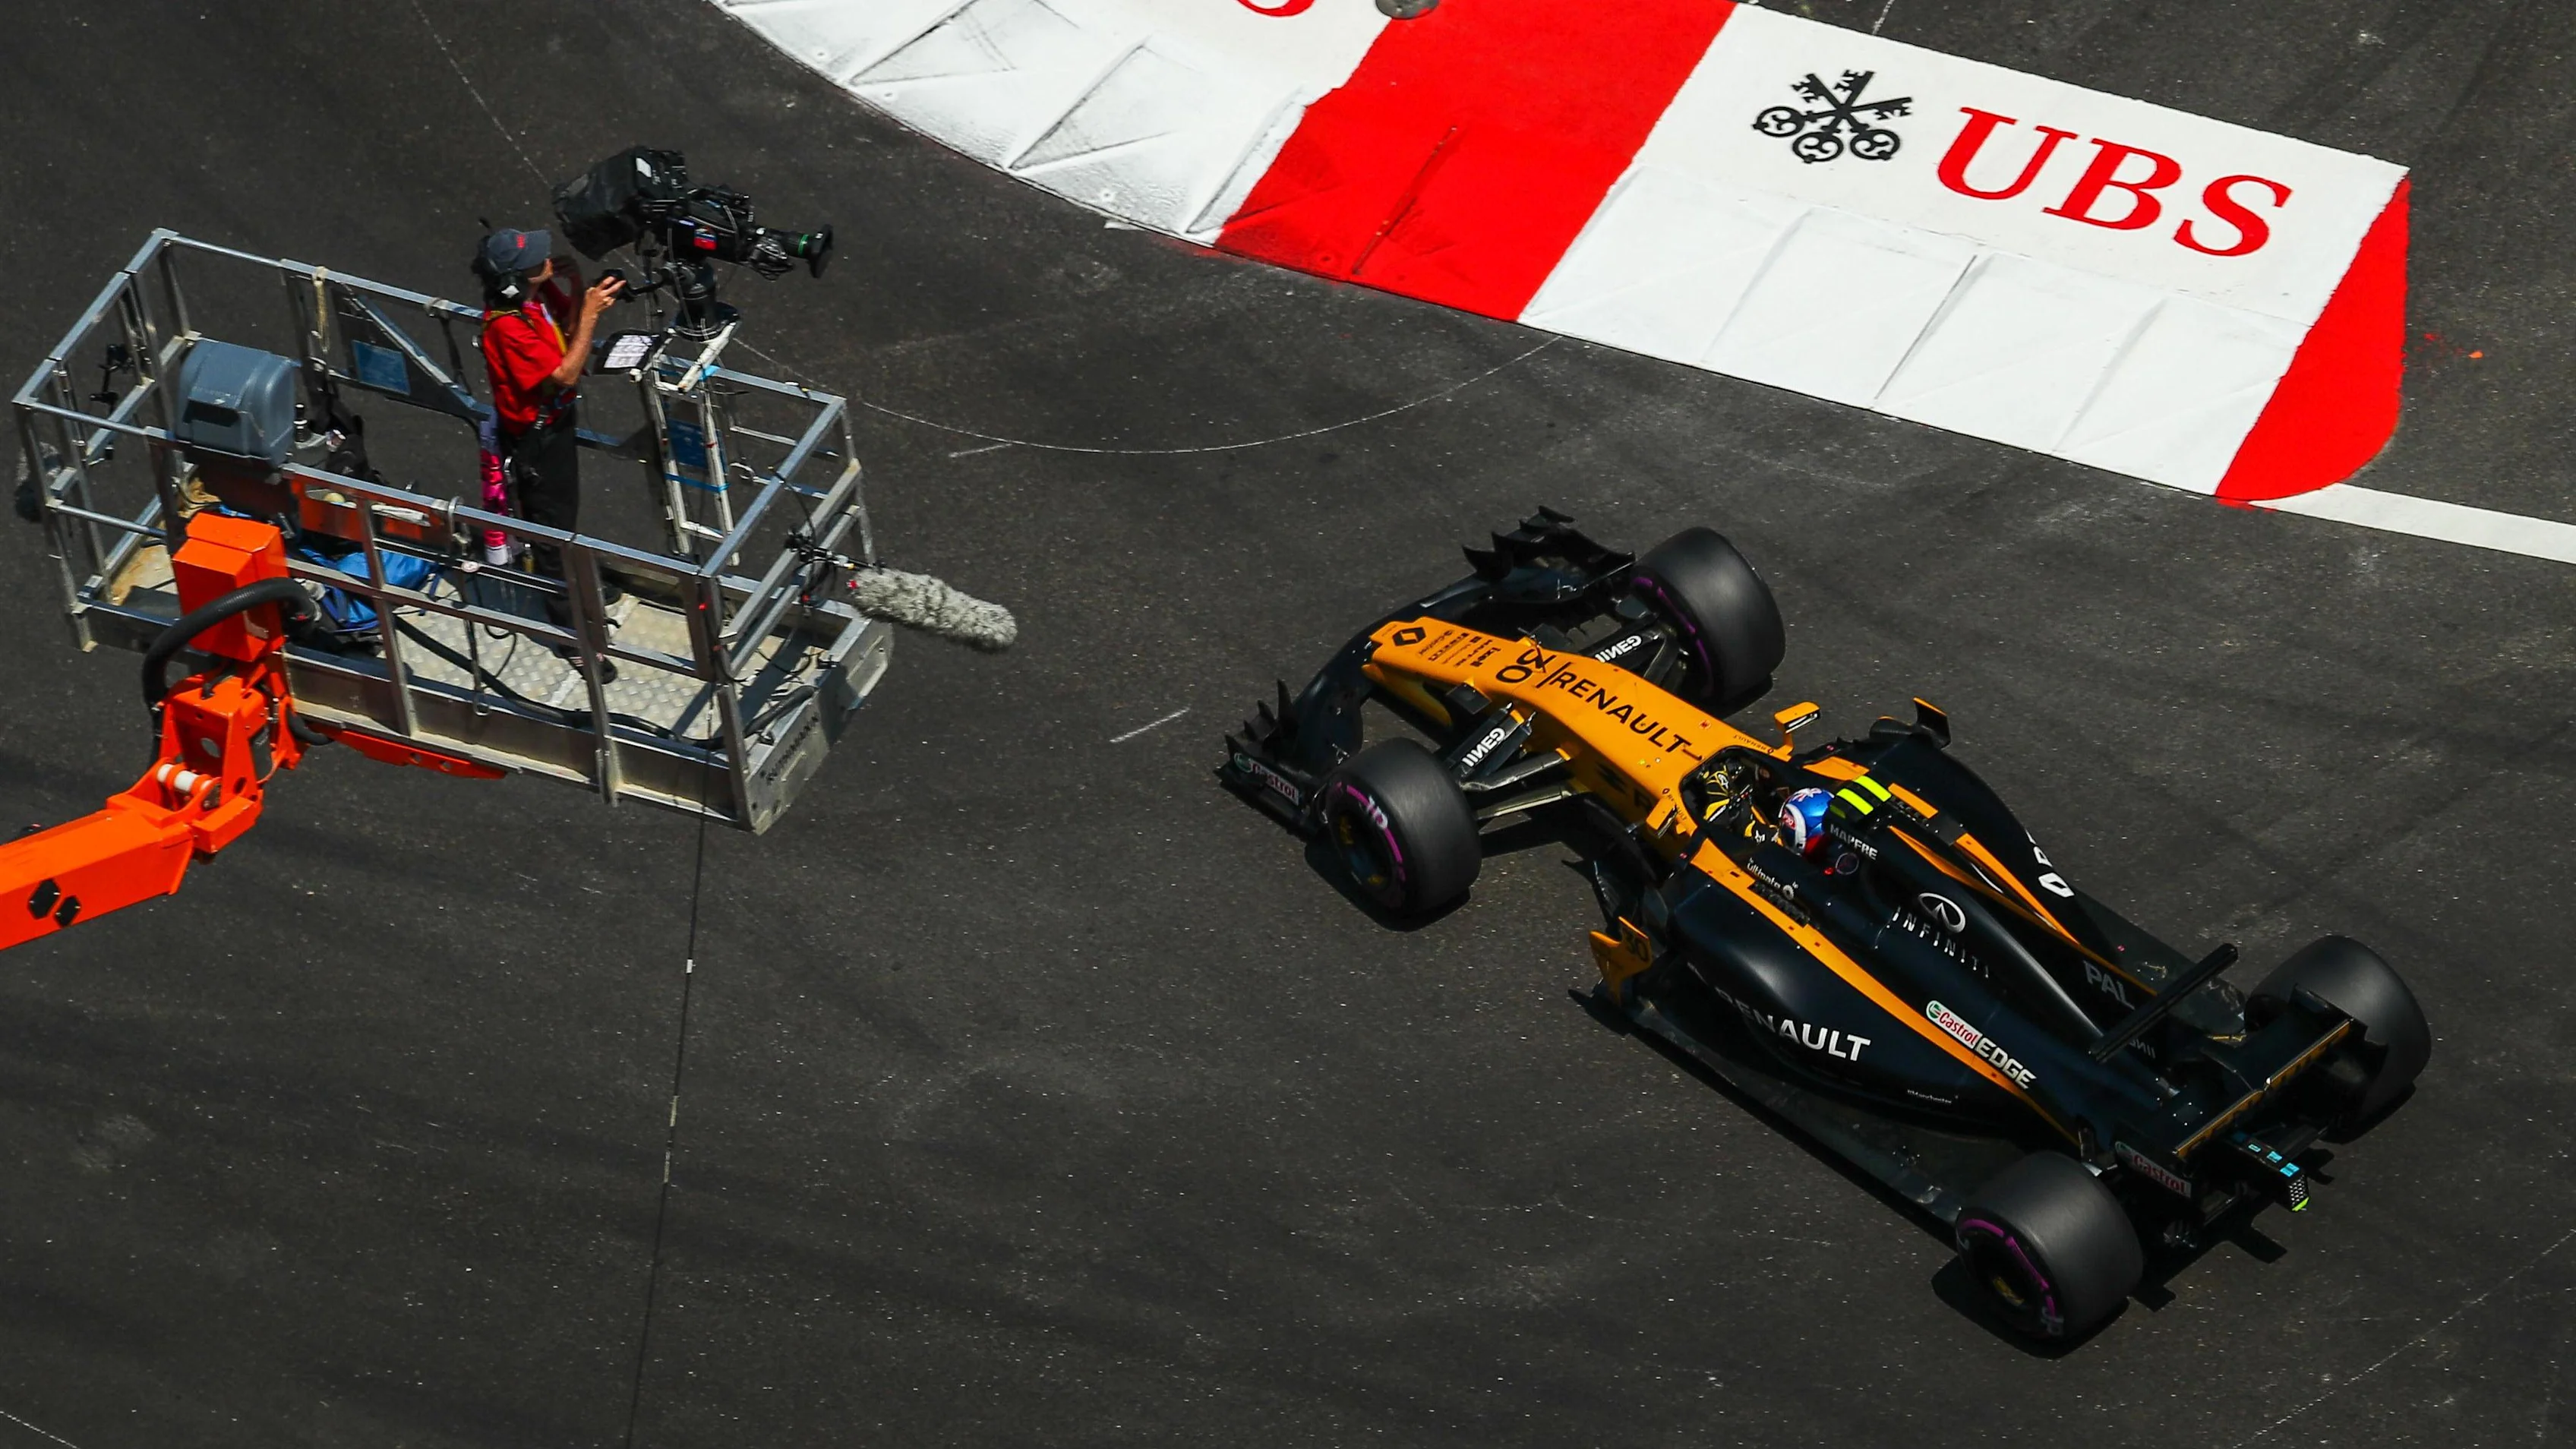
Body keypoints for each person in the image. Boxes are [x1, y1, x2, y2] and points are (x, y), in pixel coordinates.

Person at [474, 227, 623, 670]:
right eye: (535, 261)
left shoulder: (533, 302)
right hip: (536, 443)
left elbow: (570, 331)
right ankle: (568, 631)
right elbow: (564, 374)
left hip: (556, 429)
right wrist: (593, 315)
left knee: (566, 514)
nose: (547, 260)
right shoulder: (506, 328)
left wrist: (578, 289)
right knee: (552, 534)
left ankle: (577, 588)